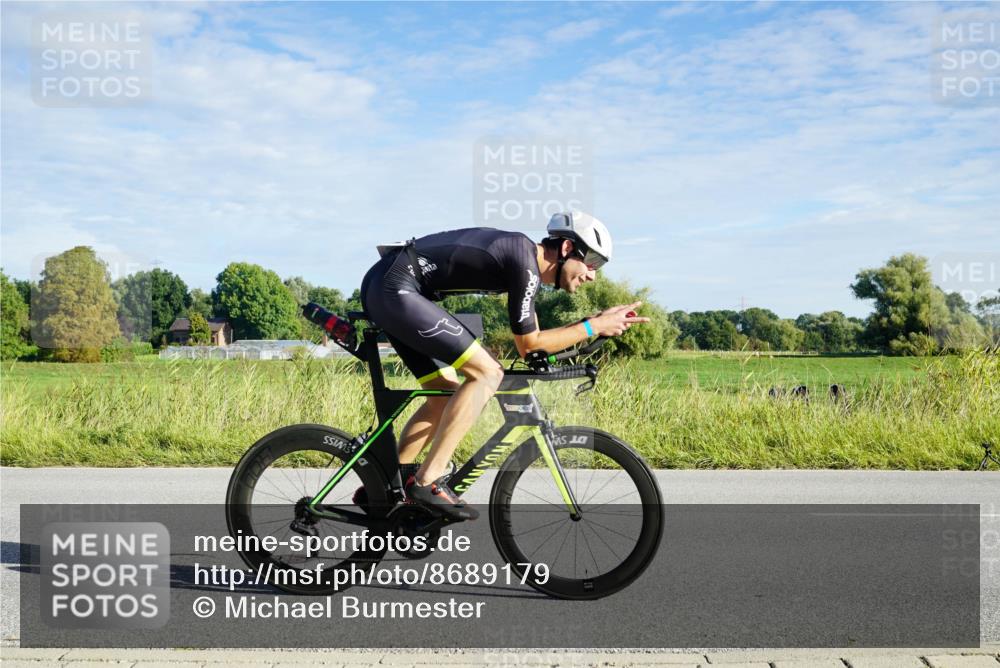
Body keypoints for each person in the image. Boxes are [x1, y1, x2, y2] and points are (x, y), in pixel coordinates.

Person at [358, 211, 649, 520]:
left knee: (442, 394)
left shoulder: (524, 267)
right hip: (396, 288)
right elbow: (530, 344)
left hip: (391, 287)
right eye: (591, 262)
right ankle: (428, 481)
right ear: (566, 249)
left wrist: (592, 323)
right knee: (487, 373)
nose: (592, 275)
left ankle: (385, 488)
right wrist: (594, 326)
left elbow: (533, 344)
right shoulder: (524, 262)